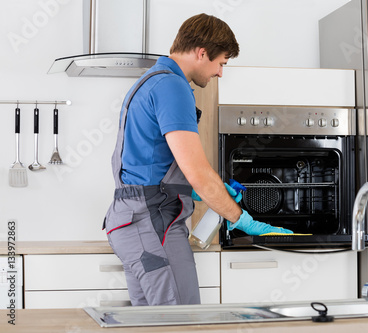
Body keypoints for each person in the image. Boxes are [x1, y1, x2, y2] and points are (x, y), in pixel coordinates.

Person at [103, 13, 292, 307]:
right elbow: (198, 173)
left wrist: (199, 192)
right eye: (221, 63)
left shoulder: (148, 83)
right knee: (183, 322)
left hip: (133, 225)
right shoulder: (171, 86)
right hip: (155, 227)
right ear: (202, 53)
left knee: (152, 326)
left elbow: (148, 168)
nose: (220, 74)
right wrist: (244, 221)